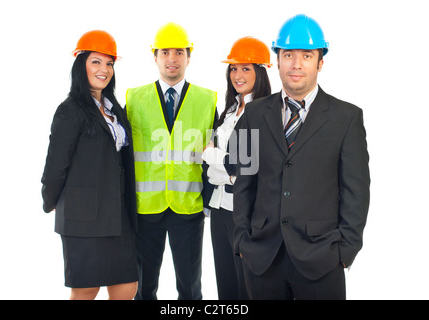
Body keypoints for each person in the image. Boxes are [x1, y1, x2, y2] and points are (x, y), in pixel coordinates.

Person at [233, 14, 370, 300]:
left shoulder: (347, 118)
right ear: (278, 61)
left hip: (322, 259)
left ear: (320, 62)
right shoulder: (254, 113)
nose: (296, 64)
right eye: (288, 55)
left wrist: (345, 251)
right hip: (262, 258)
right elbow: (243, 181)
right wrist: (242, 242)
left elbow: (356, 191)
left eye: (306, 56)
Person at [41, 30, 139, 300]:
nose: (104, 70)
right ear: (80, 64)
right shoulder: (70, 110)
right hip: (83, 218)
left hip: (118, 214)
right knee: (86, 290)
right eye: (96, 61)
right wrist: (50, 201)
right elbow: (55, 165)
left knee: (127, 287)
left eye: (109, 63)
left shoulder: (113, 108)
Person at [125, 22, 217, 300]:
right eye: (165, 52)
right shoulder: (133, 99)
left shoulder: (207, 100)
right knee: (143, 287)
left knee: (190, 288)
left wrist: (208, 202)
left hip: (188, 209)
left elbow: (217, 155)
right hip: (145, 208)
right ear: (154, 56)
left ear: (189, 56)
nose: (172, 58)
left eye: (179, 52)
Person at [201, 36, 271, 300]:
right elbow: (229, 167)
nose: (237, 75)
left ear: (260, 72)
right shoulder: (231, 109)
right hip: (219, 209)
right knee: (226, 285)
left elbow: (243, 166)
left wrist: (210, 154)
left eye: (246, 68)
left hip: (246, 211)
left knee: (247, 286)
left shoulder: (265, 110)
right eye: (233, 68)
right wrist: (222, 165)